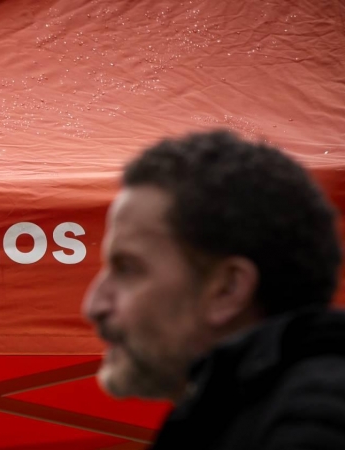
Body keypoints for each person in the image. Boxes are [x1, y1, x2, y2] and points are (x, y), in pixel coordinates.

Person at [82, 130, 345, 449]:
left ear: (228, 289)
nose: (93, 305)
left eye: (128, 269)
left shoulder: (312, 421)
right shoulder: (239, 416)